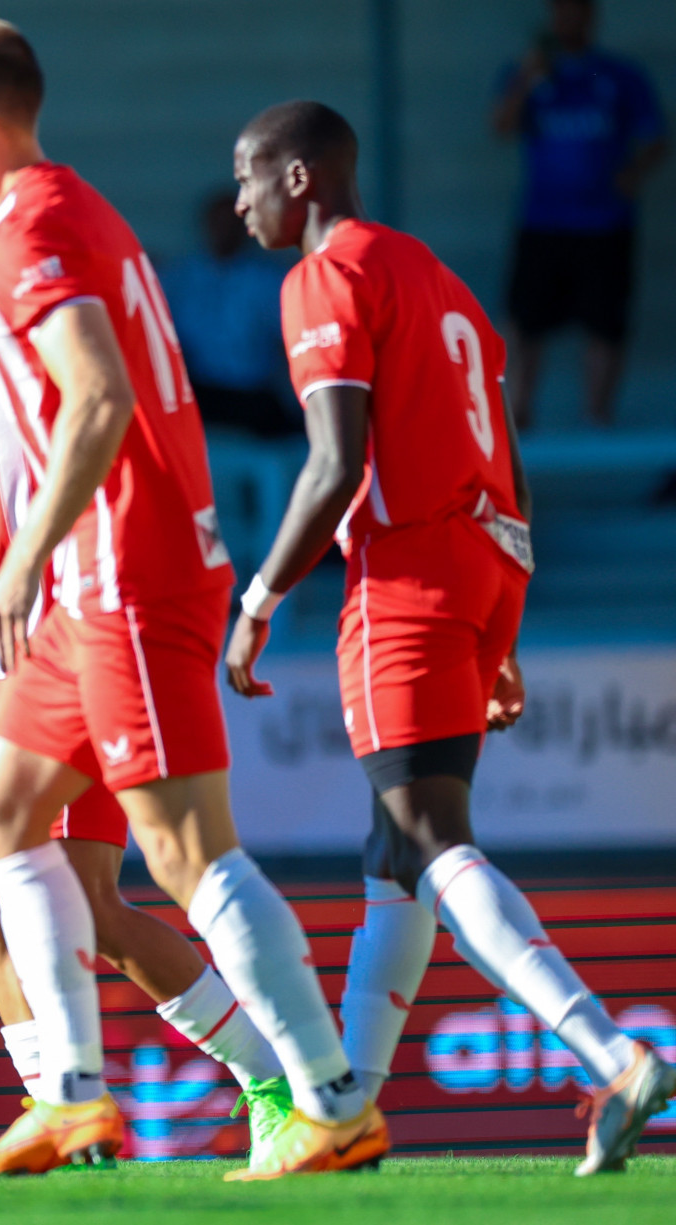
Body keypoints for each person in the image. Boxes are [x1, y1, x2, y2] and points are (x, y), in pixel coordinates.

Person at [0, 20, 387, 1182]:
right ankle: (72, 1099)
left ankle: (327, 1098)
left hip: (123, 571)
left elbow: (99, 397)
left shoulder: (36, 227)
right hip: (83, 590)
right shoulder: (35, 226)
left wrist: (22, 561)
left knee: (182, 852)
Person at [224, 98, 676, 1177]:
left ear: (300, 180)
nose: (237, 202)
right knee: (394, 859)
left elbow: (332, 465)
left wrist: (257, 599)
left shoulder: (326, 277)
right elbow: (506, 453)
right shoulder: (439, 277)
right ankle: (349, 1112)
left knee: (425, 837)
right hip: (483, 562)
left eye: (248, 177)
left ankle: (612, 1055)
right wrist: (504, 626)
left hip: (408, 572)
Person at [0, 190, 286, 1112]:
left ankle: (275, 1074)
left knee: (103, 896)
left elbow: (54, 389)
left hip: (65, 649)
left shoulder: (22, 357)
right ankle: (61, 1105)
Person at [491, 0, 668, 428]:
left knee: (606, 323)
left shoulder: (621, 74)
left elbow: (657, 137)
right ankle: (520, 420)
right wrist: (528, 79)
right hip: (542, 221)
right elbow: (501, 127)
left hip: (605, 223)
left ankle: (597, 418)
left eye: (578, 9)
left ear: (592, 15)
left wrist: (633, 173)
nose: (568, 18)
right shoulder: (527, 72)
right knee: (527, 322)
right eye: (560, 9)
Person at [161, 189, 297, 437]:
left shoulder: (269, 279)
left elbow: (287, 343)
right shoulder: (180, 276)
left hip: (253, 394)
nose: (223, 230)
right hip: (199, 393)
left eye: (230, 222)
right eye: (217, 222)